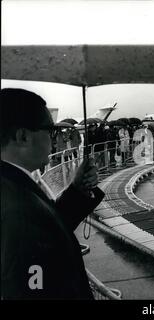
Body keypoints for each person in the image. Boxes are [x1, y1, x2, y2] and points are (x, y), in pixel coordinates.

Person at [1, 88, 105, 300]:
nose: (54, 139)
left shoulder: (12, 185)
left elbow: (46, 230)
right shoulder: (16, 209)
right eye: (50, 131)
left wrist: (77, 190)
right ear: (22, 136)